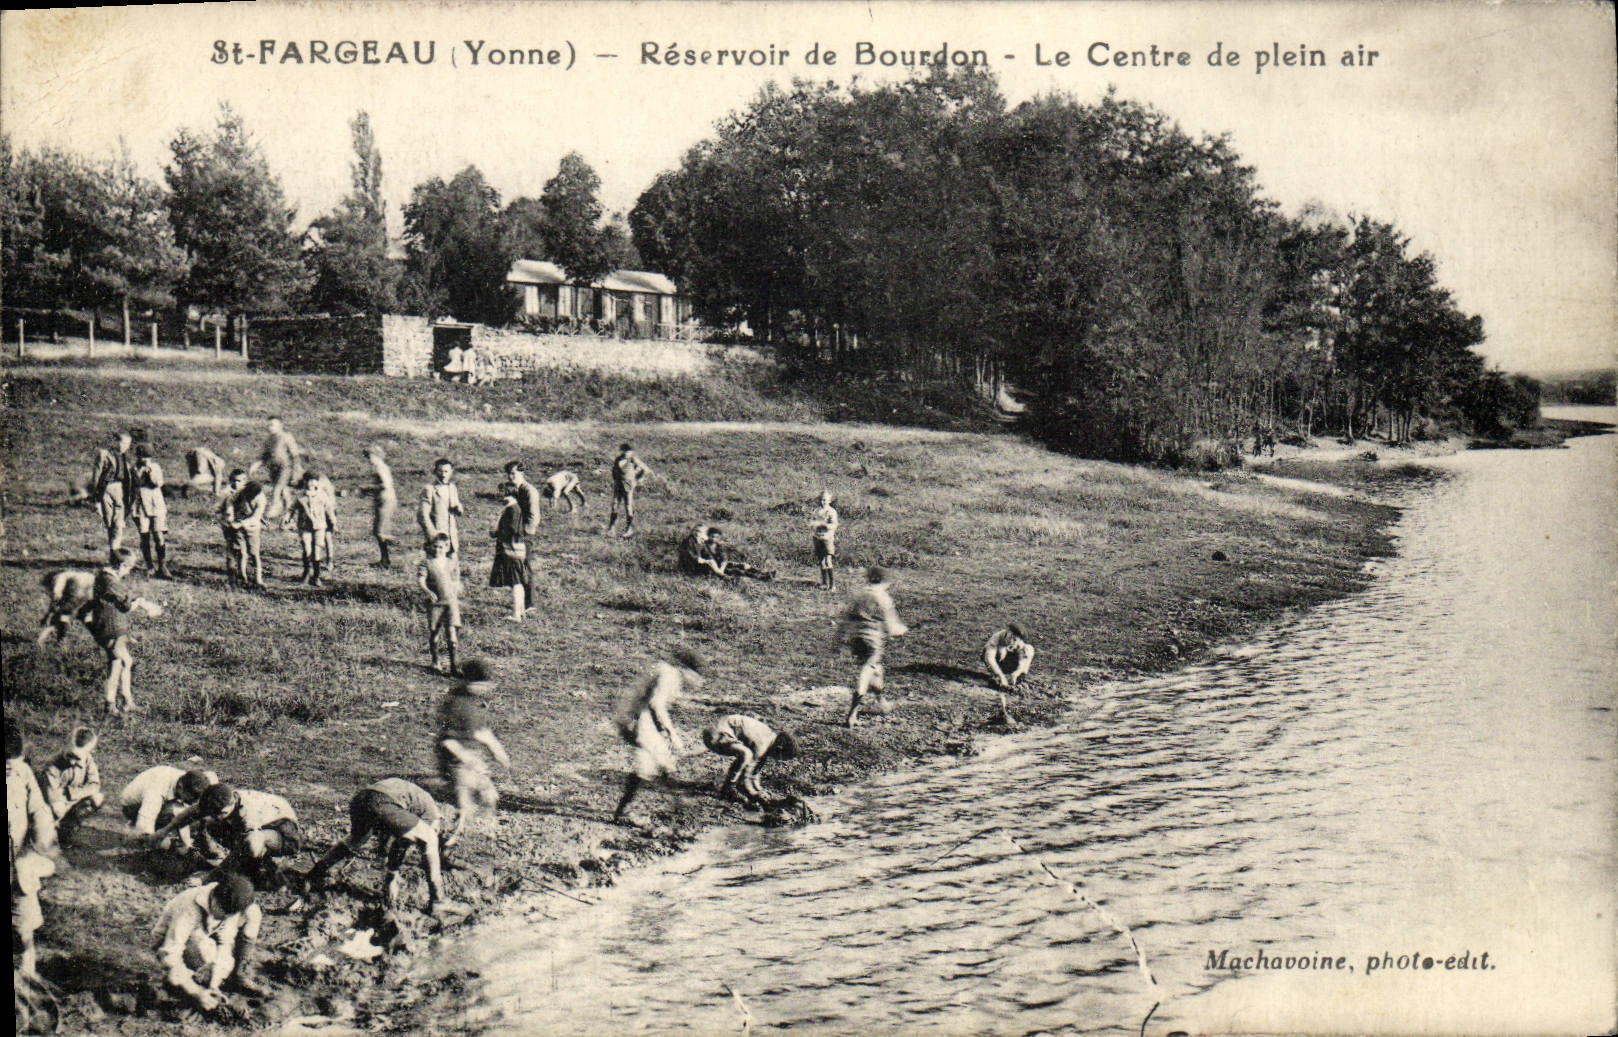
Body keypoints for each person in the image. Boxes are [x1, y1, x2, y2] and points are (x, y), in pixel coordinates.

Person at [305, 778, 454, 914]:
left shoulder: (414, 801)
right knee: (430, 838)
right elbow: (403, 842)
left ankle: (314, 873)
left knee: (355, 840)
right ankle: (438, 900)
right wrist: (391, 878)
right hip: (382, 801)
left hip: (361, 799)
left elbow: (396, 839)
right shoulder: (432, 813)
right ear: (441, 820)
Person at [612, 649, 703, 825]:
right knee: (657, 760)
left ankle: (624, 811)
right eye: (696, 676)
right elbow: (656, 704)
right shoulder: (670, 676)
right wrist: (671, 733)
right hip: (637, 717)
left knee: (653, 763)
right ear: (687, 670)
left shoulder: (666, 672)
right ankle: (678, 807)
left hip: (635, 716)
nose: (697, 682)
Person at [151, 872, 266, 1011]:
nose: (227, 918)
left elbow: (225, 943)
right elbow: (169, 954)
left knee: (253, 913)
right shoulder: (189, 908)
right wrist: (197, 992)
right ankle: (185, 984)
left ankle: (238, 975)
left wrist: (215, 983)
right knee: (204, 950)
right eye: (225, 914)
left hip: (206, 934)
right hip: (170, 942)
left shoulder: (225, 901)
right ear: (215, 902)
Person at [157, 783, 301, 889]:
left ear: (232, 803)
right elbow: (189, 813)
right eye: (216, 813)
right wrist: (162, 832)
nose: (219, 817)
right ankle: (246, 866)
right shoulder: (220, 797)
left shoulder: (248, 815)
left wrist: (207, 878)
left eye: (222, 813)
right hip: (262, 826)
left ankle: (268, 866)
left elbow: (245, 848)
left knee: (251, 846)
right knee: (211, 823)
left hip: (283, 832)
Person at [80, 547, 162, 719]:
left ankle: (126, 702)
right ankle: (111, 705)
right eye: (130, 567)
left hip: (111, 627)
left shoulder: (103, 578)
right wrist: (141, 603)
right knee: (120, 662)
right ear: (123, 565)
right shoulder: (110, 581)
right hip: (110, 628)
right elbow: (125, 605)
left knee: (121, 662)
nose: (130, 571)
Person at [436, 661, 511, 847]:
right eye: (482, 685)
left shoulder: (475, 703)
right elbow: (447, 740)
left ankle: (485, 831)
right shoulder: (455, 704)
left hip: (474, 757)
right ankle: (450, 841)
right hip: (456, 761)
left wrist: (496, 749)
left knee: (490, 796)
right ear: (469, 682)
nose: (486, 689)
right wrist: (465, 757)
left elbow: (480, 731)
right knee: (465, 803)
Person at [9, 727, 61, 978]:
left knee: (23, 923)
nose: (13, 769)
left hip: (17, 866)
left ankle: (26, 974)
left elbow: (40, 813)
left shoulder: (23, 773)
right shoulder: (21, 772)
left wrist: (44, 850)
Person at [840, 566, 908, 728]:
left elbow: (845, 618)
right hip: (872, 640)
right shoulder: (883, 597)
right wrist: (902, 630)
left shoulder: (859, 594)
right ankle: (852, 712)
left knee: (876, 669)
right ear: (884, 581)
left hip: (856, 638)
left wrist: (838, 640)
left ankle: (881, 702)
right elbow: (892, 627)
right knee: (867, 670)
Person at [701, 715, 799, 808]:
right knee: (746, 754)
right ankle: (728, 788)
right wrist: (753, 794)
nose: (777, 760)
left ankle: (729, 786)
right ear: (779, 748)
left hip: (722, 730)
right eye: (780, 758)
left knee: (747, 756)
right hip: (715, 735)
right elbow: (746, 776)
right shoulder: (762, 745)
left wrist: (760, 790)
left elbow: (755, 772)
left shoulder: (769, 739)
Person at [120, 766, 217, 847]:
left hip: (158, 803)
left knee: (185, 813)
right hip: (132, 807)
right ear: (181, 787)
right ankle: (133, 828)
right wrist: (155, 840)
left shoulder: (188, 780)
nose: (192, 801)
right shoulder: (157, 791)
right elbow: (145, 822)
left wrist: (187, 844)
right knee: (162, 844)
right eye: (191, 798)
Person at [39, 727, 104, 846]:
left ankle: (68, 830)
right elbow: (52, 797)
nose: (73, 762)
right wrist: (72, 796)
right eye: (70, 755)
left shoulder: (88, 760)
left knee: (97, 798)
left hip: (69, 800)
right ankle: (54, 831)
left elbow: (95, 785)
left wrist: (71, 793)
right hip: (52, 806)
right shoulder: (53, 764)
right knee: (58, 809)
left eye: (78, 758)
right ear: (67, 747)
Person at [418, 533, 463, 675]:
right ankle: (435, 661)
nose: (438, 550)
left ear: (446, 547)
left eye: (441, 547)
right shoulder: (427, 562)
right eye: (435, 547)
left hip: (450, 602)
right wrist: (427, 591)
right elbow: (421, 580)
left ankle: (454, 666)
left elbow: (455, 579)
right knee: (435, 632)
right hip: (435, 603)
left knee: (451, 633)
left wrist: (455, 591)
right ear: (431, 547)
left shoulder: (451, 562)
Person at [89, 429, 137, 562]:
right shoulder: (104, 455)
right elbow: (97, 476)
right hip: (106, 490)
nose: (125, 446)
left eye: (128, 444)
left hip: (120, 489)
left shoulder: (125, 458)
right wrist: (96, 498)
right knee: (110, 521)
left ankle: (116, 551)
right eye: (123, 443)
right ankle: (113, 553)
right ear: (115, 441)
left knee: (119, 521)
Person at [131, 442, 174, 579]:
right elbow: (132, 485)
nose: (145, 460)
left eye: (148, 457)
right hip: (140, 505)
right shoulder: (133, 468)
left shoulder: (155, 467)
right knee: (144, 536)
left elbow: (158, 483)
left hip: (155, 504)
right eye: (143, 457)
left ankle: (162, 565)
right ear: (138, 456)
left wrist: (150, 473)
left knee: (158, 534)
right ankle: (149, 566)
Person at [220, 470, 268, 589]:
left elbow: (256, 517)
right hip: (237, 526)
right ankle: (242, 577)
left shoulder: (261, 499)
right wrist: (230, 517)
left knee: (254, 553)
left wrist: (241, 523)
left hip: (252, 527)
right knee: (241, 552)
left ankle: (258, 579)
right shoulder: (238, 493)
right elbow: (230, 505)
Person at [490, 489, 530, 622]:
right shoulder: (513, 508)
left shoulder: (512, 509)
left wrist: (498, 532)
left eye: (502, 493)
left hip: (511, 549)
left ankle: (516, 614)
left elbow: (512, 529)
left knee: (515, 582)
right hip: (516, 549)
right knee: (517, 581)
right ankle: (521, 610)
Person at [292, 471, 337, 587]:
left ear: (318, 482)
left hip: (320, 526)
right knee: (307, 550)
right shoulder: (301, 496)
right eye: (309, 480)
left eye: (314, 480)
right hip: (305, 526)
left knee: (317, 551)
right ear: (305, 481)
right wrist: (287, 518)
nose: (312, 483)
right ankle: (306, 573)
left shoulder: (322, 495)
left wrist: (333, 522)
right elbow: (292, 508)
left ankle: (316, 577)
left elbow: (329, 510)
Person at [257, 417, 302, 526]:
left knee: (277, 489)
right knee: (284, 491)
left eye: (273, 425)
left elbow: (294, 454)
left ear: (280, 426)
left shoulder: (286, 437)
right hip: (274, 469)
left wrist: (297, 469)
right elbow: (264, 455)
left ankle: (273, 510)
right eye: (269, 425)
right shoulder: (269, 440)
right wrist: (257, 464)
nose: (270, 428)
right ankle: (291, 515)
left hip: (285, 468)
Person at [36, 568, 95, 646]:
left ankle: (41, 641)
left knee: (61, 615)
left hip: (79, 589)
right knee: (85, 616)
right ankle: (101, 637)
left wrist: (48, 614)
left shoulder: (59, 577)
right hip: (92, 587)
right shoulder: (71, 574)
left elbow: (56, 595)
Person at [419, 458, 463, 558]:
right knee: (436, 567)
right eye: (440, 471)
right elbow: (422, 515)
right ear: (435, 471)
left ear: (451, 472)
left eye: (446, 471)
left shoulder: (452, 487)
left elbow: (457, 507)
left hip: (451, 536)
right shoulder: (429, 489)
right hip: (437, 537)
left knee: (452, 566)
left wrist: (459, 508)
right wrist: (433, 535)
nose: (443, 475)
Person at [604, 443, 651, 538]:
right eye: (624, 451)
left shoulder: (633, 459)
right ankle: (611, 528)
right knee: (614, 504)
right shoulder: (618, 459)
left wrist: (637, 479)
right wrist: (615, 479)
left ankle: (629, 529)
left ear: (631, 452)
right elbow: (614, 470)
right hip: (618, 484)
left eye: (628, 451)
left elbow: (645, 469)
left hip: (628, 484)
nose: (626, 453)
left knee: (628, 505)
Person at [365, 445, 399, 567]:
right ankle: (385, 559)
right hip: (383, 500)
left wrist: (368, 489)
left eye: (370, 456)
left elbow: (385, 485)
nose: (369, 459)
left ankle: (391, 550)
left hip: (385, 500)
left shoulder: (381, 468)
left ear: (377, 456)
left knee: (380, 531)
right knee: (379, 531)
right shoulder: (379, 468)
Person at [983, 624, 1036, 689]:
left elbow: (1024, 659)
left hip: (1011, 663)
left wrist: (1017, 673)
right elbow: (989, 658)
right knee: (998, 651)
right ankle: (996, 677)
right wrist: (1000, 675)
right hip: (998, 662)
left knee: (1029, 649)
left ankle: (1019, 679)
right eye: (1010, 637)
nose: (1011, 641)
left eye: (1014, 639)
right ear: (1007, 632)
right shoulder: (996, 638)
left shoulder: (1019, 643)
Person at [811, 491, 840, 590]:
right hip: (817, 537)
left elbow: (834, 525)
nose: (823, 502)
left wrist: (826, 526)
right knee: (822, 560)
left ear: (829, 500)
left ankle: (832, 584)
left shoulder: (831, 512)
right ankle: (824, 583)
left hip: (827, 538)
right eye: (821, 500)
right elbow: (812, 521)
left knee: (828, 560)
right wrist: (814, 525)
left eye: (825, 500)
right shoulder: (816, 511)